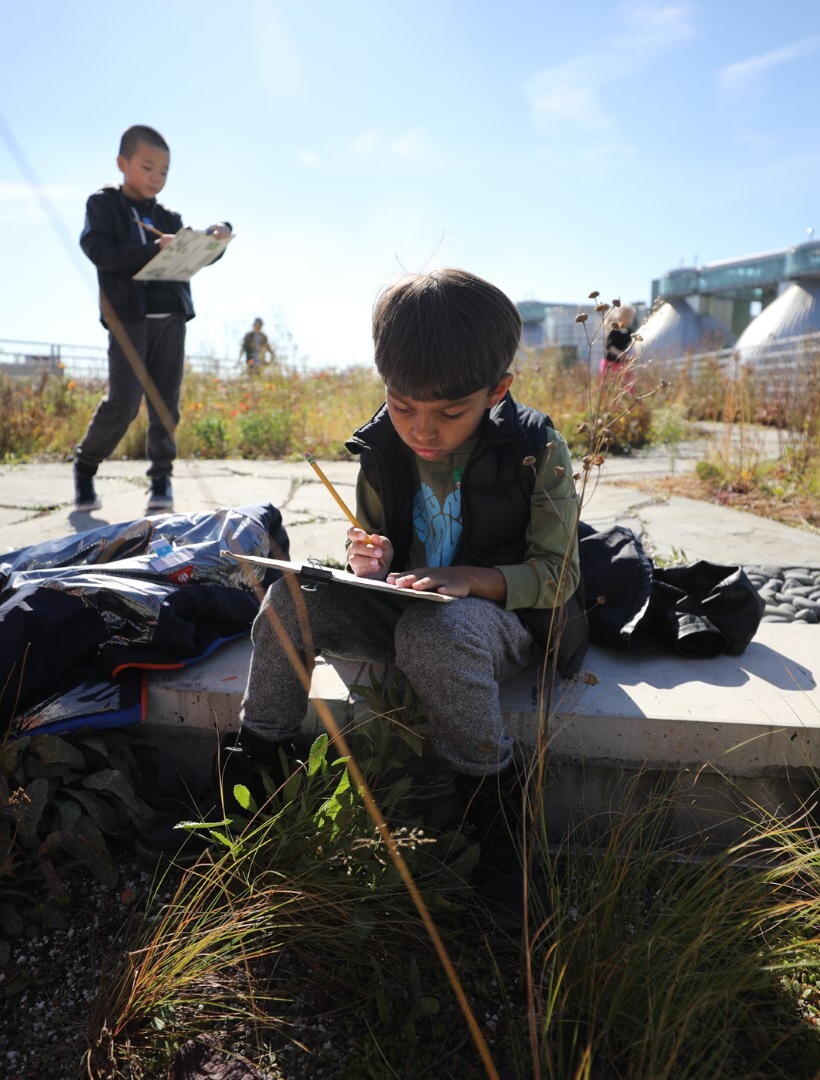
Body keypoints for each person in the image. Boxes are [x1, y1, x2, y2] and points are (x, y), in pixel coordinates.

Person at [219, 268, 588, 896]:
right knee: (288, 600)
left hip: (494, 623)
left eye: (450, 412)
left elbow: (559, 576)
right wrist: (370, 558)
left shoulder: (535, 448)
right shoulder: (383, 445)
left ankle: (494, 832)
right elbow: (369, 538)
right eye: (402, 405)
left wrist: (469, 578)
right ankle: (250, 796)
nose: (422, 430)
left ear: (497, 391)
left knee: (434, 635)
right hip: (404, 606)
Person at [72, 124, 233, 514]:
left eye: (164, 172)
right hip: (128, 317)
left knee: (166, 403)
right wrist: (150, 249)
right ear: (122, 163)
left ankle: (161, 477)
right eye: (148, 167)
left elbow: (196, 254)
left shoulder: (168, 215)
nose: (156, 178)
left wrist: (219, 236)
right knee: (123, 403)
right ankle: (86, 465)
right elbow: (99, 251)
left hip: (171, 317)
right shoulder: (103, 204)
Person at [600, 304, 636, 389]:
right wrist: (619, 353)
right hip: (612, 363)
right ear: (620, 317)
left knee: (627, 386)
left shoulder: (629, 330)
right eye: (626, 317)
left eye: (631, 318)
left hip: (624, 364)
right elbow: (608, 345)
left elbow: (630, 344)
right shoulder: (616, 329)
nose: (629, 320)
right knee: (610, 386)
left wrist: (632, 355)